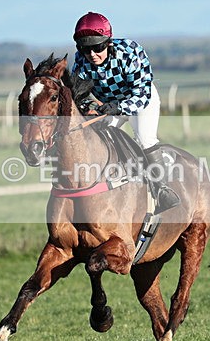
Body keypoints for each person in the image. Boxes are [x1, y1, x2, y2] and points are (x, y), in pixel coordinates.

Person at [71, 11, 180, 213]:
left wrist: (118, 107)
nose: (92, 54)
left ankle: (163, 190)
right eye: (85, 49)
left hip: (141, 100)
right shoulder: (81, 60)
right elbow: (79, 94)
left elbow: (141, 94)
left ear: (108, 42)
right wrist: (89, 108)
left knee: (144, 139)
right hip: (110, 105)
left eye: (97, 47)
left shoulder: (130, 51)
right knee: (100, 137)